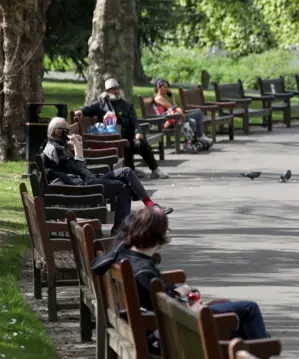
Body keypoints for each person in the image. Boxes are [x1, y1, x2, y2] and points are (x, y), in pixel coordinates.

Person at [90, 206, 271, 354]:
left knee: (231, 314)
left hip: (144, 327)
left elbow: (154, 300)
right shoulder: (143, 271)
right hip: (167, 335)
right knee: (249, 310)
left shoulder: (123, 255)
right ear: (159, 236)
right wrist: (186, 298)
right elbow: (166, 311)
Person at [41, 117, 173, 235]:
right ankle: (120, 227)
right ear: (58, 132)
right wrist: (78, 148)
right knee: (123, 187)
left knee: (125, 171)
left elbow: (79, 167)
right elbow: (80, 168)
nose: (69, 133)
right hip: (82, 187)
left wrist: (77, 148)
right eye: (66, 131)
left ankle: (148, 207)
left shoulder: (56, 145)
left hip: (86, 180)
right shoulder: (56, 150)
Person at [73, 78, 170, 179]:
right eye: (113, 89)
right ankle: (131, 170)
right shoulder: (101, 104)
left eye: (117, 88)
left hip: (128, 136)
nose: (116, 91)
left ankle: (155, 170)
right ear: (107, 92)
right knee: (124, 144)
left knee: (141, 143)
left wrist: (137, 132)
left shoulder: (127, 105)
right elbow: (87, 109)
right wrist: (80, 111)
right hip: (110, 140)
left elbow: (135, 122)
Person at [153, 78, 213, 153]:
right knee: (198, 113)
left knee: (193, 120)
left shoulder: (162, 97)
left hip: (173, 118)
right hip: (167, 121)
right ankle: (199, 137)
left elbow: (173, 107)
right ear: (159, 87)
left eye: (167, 87)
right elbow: (172, 107)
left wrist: (172, 97)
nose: (166, 88)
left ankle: (191, 142)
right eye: (164, 86)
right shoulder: (159, 98)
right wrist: (177, 109)